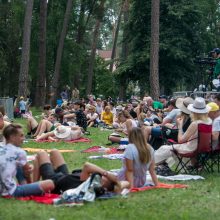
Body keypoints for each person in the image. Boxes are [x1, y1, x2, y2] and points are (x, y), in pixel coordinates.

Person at [33, 149, 129, 194]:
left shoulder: (91, 185)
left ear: (104, 184)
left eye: (104, 178)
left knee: (41, 154)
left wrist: (106, 173)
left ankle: (33, 187)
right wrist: (117, 183)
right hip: (65, 176)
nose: (102, 176)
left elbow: (87, 166)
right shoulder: (105, 185)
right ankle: (35, 185)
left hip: (55, 182)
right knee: (54, 152)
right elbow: (126, 183)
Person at [154, 97, 212, 167]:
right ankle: (159, 165)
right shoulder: (209, 121)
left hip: (191, 149)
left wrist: (180, 126)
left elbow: (180, 140)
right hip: (202, 148)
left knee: (164, 148)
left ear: (194, 111)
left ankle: (152, 165)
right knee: (167, 148)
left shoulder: (195, 124)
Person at [0, 124, 54, 197]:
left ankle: (24, 185)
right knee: (50, 183)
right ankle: (25, 186)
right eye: (21, 136)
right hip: (9, 191)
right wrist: (30, 186)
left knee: (18, 164)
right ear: (12, 137)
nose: (24, 138)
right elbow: (27, 172)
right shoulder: (19, 152)